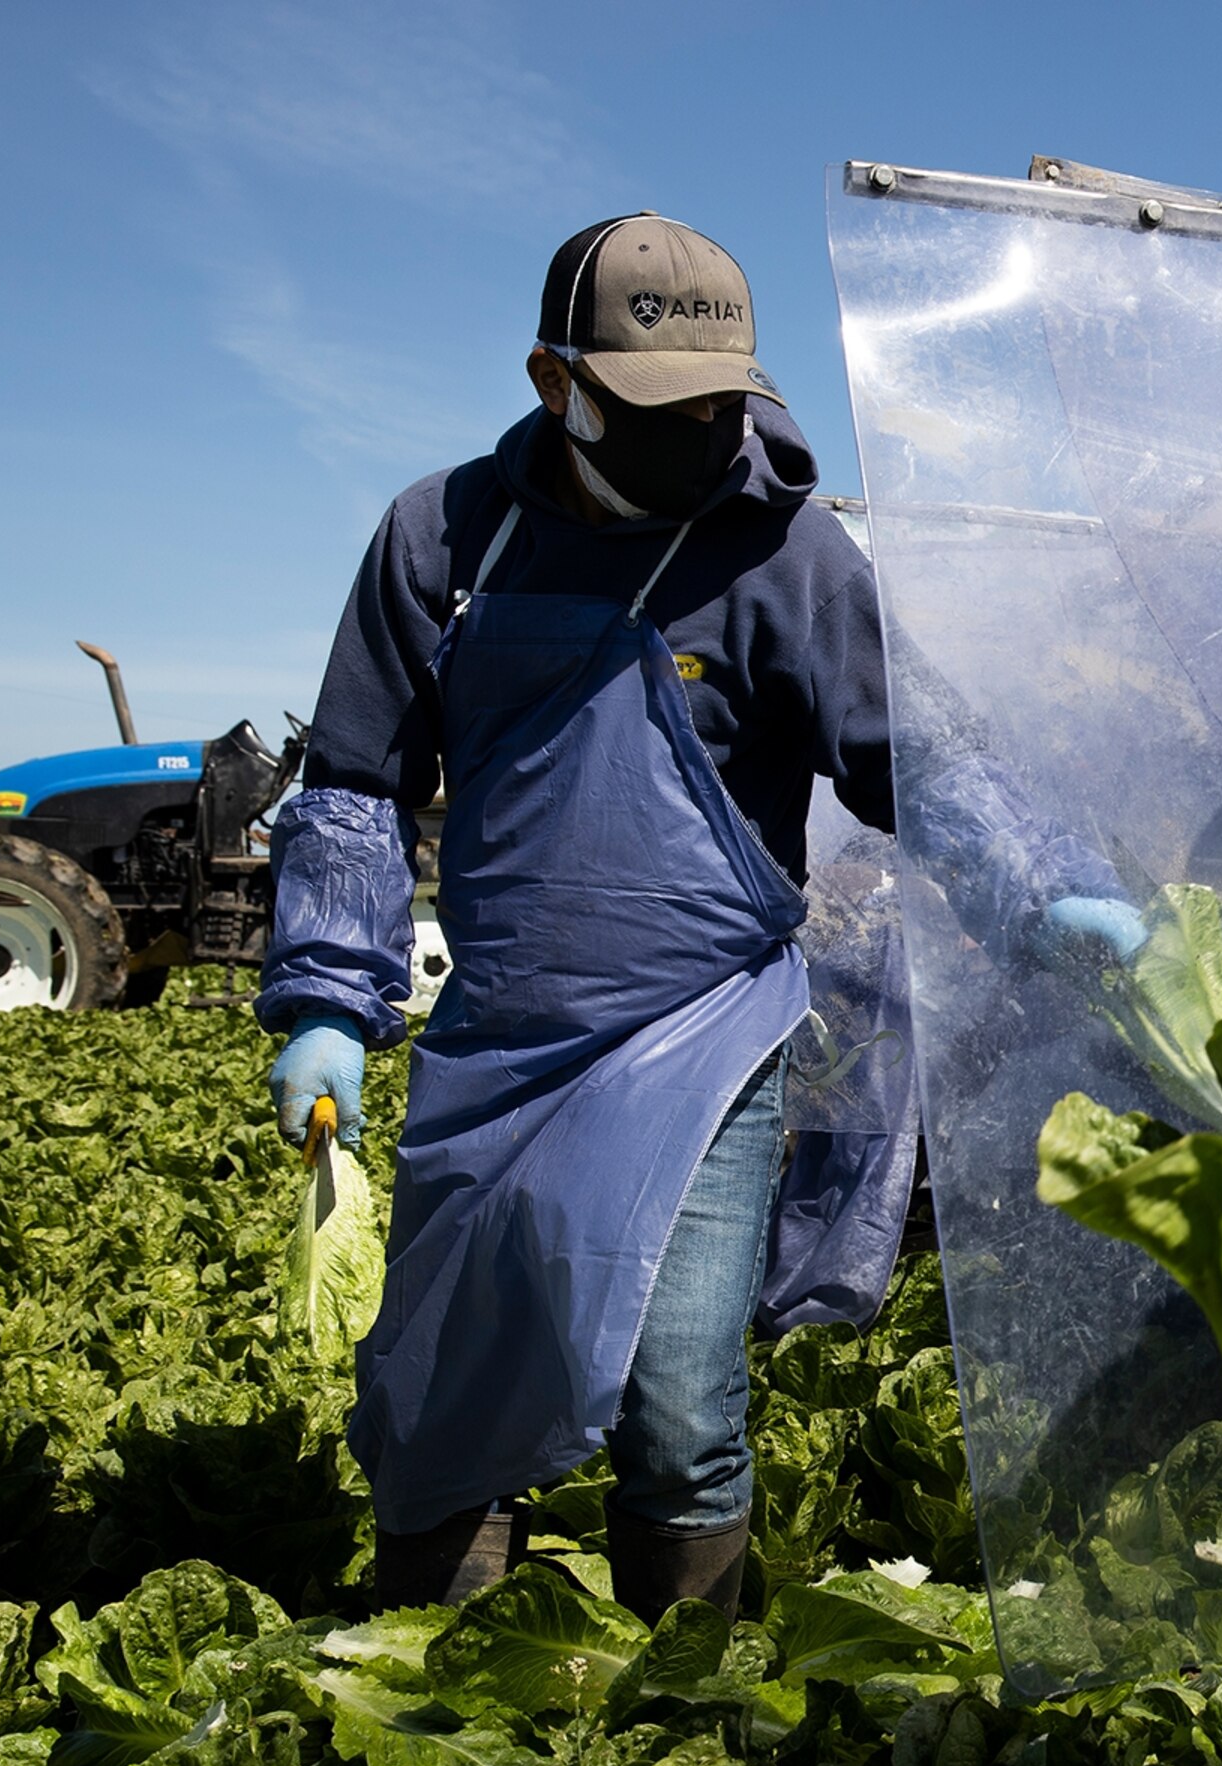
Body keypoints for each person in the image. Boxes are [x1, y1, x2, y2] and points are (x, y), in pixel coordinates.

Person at [260, 215, 1131, 1623]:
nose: (704, 434)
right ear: (560, 383)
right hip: (501, 1044)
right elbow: (357, 786)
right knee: (447, 1377)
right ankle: (425, 1672)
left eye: (722, 401)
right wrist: (322, 1001)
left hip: (705, 1039)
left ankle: (687, 1707)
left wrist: (1045, 890)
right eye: (663, 407)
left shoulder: (786, 556)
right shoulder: (446, 538)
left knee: (676, 1393)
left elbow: (925, 759)